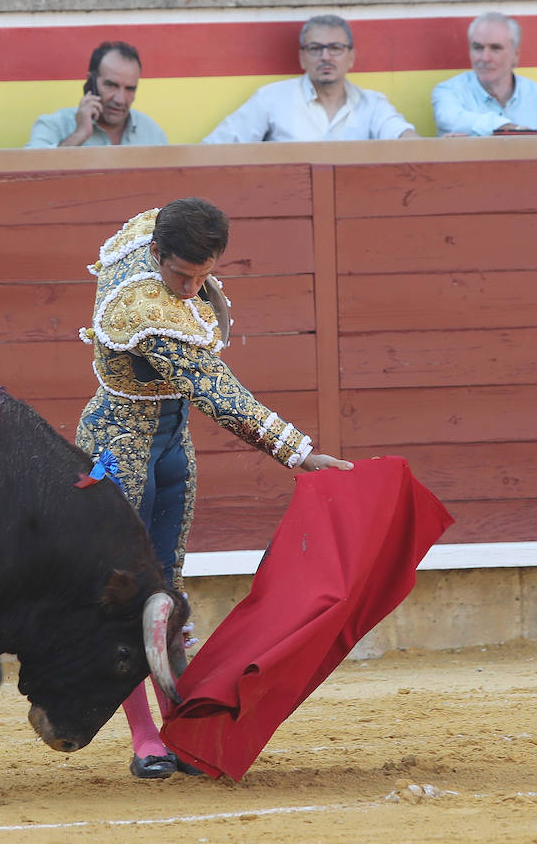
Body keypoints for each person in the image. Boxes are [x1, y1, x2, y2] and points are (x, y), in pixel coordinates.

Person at [74, 197, 353, 779]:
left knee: (167, 586)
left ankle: (182, 722)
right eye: (181, 275)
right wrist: (297, 452)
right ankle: (145, 735)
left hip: (171, 443)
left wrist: (198, 278)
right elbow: (217, 391)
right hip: (119, 444)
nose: (190, 289)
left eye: (204, 276)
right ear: (156, 256)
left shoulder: (161, 233)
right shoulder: (143, 305)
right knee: (127, 592)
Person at [203, 15, 418, 143]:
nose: (325, 57)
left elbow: (402, 136)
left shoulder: (373, 104)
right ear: (302, 58)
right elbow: (217, 146)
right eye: (315, 48)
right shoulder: (271, 98)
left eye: (335, 48)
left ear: (351, 57)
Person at [431, 12, 537, 159]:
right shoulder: (448, 92)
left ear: (516, 55)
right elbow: (450, 119)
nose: (485, 58)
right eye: (478, 47)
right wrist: (511, 130)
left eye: (495, 48)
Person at [25, 41, 169, 149]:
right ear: (91, 82)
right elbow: (30, 177)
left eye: (130, 89)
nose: (120, 99)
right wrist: (79, 135)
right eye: (111, 85)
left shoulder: (152, 132)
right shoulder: (53, 126)